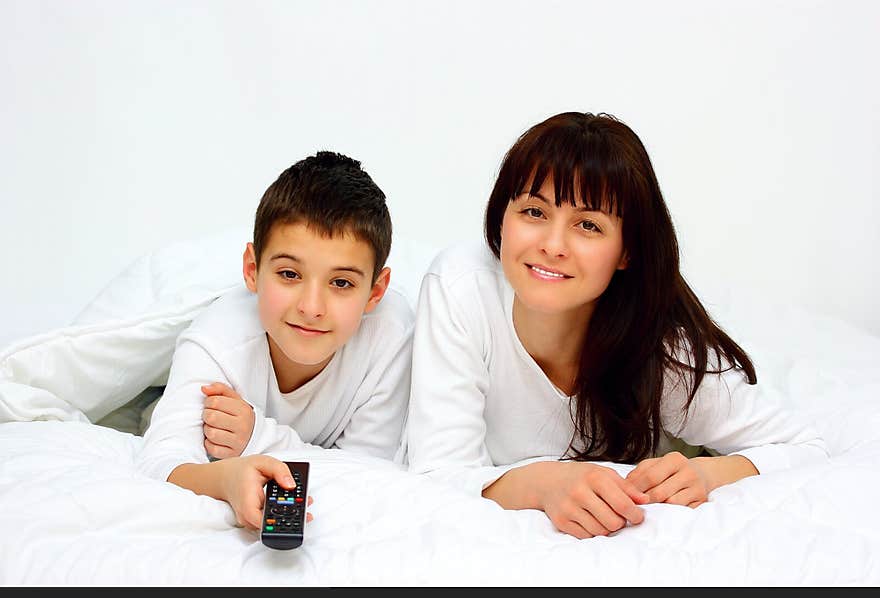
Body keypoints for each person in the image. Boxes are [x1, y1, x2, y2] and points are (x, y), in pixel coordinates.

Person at [402, 112, 829, 540]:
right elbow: (438, 470)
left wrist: (707, 473)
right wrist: (546, 484)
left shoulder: (661, 343)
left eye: (588, 225)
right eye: (533, 211)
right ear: (501, 219)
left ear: (627, 252)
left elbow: (803, 447)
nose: (552, 245)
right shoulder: (460, 288)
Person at [137, 151, 414, 531]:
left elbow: (369, 470)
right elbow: (161, 463)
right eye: (288, 274)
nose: (312, 307)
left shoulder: (392, 337)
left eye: (341, 283)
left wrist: (258, 438)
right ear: (252, 270)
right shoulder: (217, 341)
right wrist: (226, 480)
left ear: (375, 291)